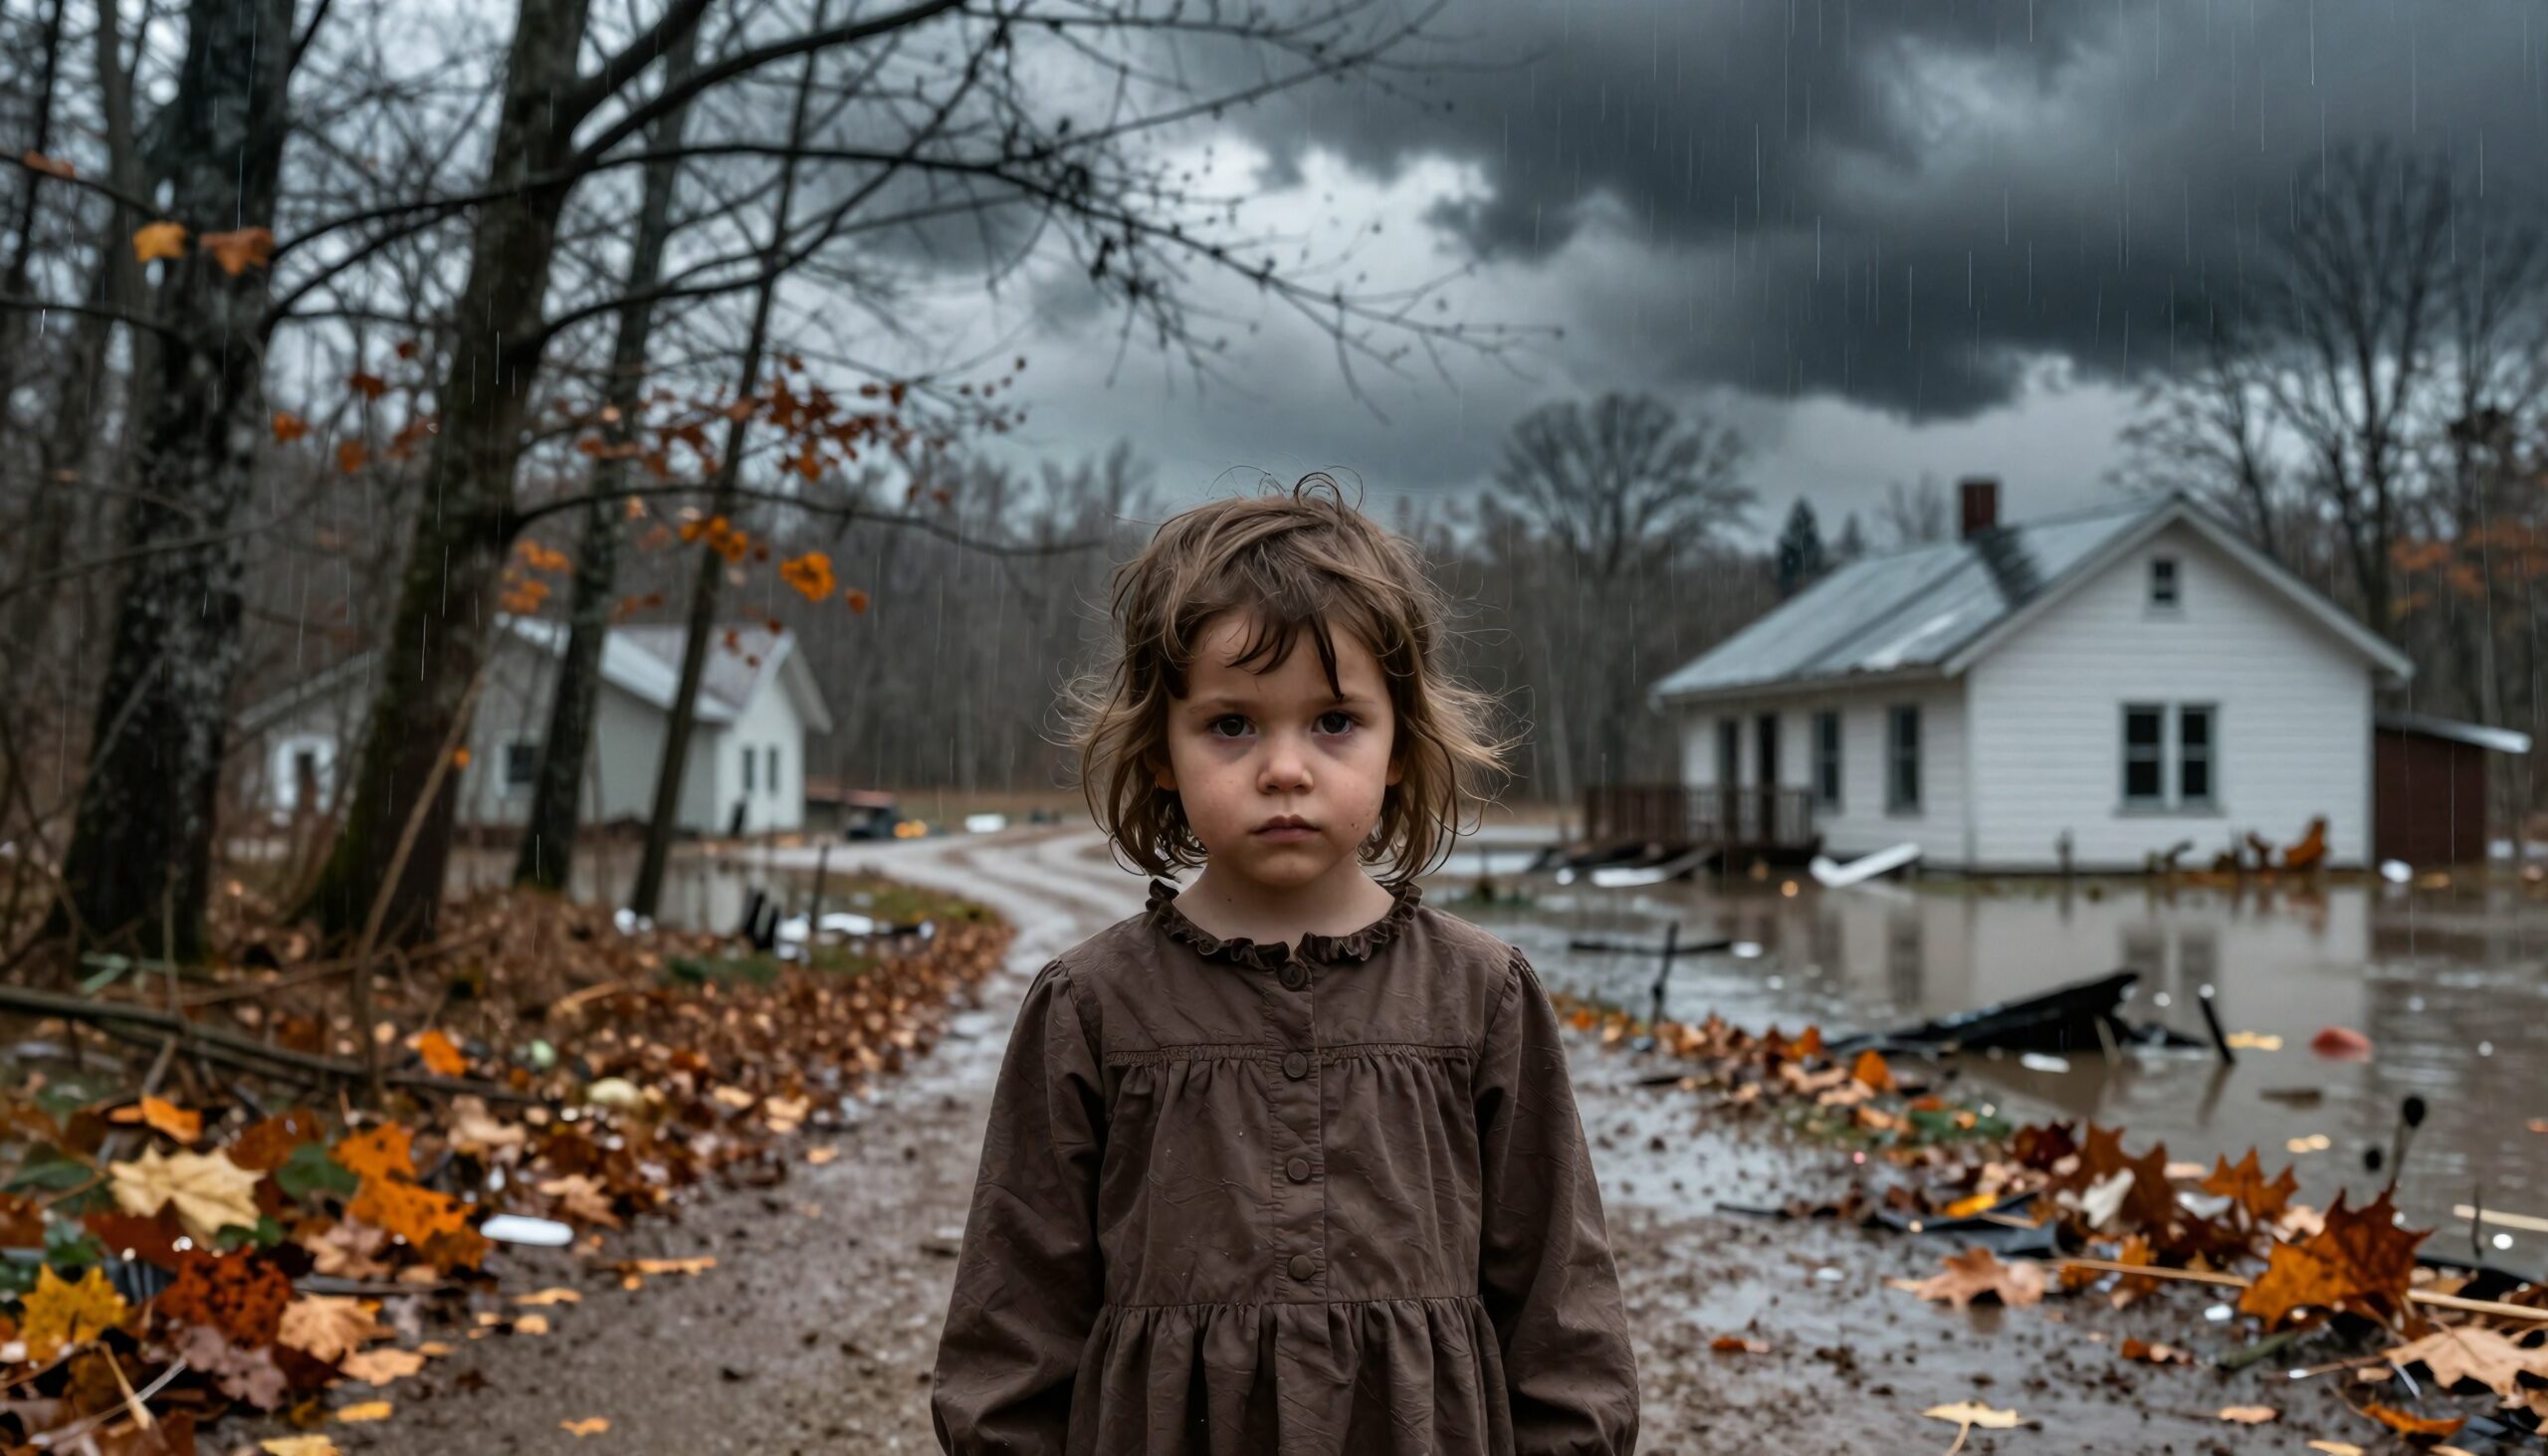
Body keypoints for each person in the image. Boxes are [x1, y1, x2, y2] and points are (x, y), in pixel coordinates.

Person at [931, 476, 1639, 1456]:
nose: (1285, 768)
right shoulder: (1088, 1006)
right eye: (1231, 723)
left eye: (1333, 721)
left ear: (1398, 743)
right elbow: (1014, 1310)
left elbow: (1558, 1297)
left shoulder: (1483, 994)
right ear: (1159, 752)